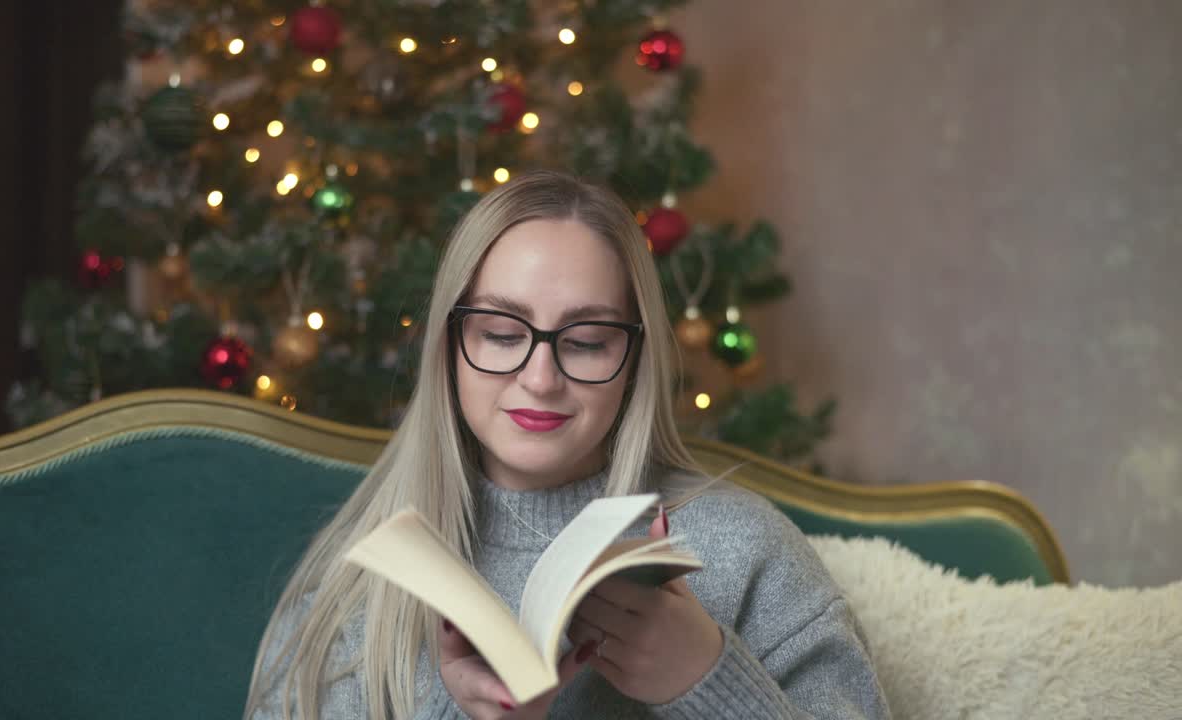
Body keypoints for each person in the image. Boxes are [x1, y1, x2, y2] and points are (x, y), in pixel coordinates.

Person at [244, 171, 891, 720]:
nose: (540, 377)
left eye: (585, 342)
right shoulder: (361, 588)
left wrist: (708, 679)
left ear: (634, 359)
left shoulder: (745, 549)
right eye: (500, 332)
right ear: (449, 348)